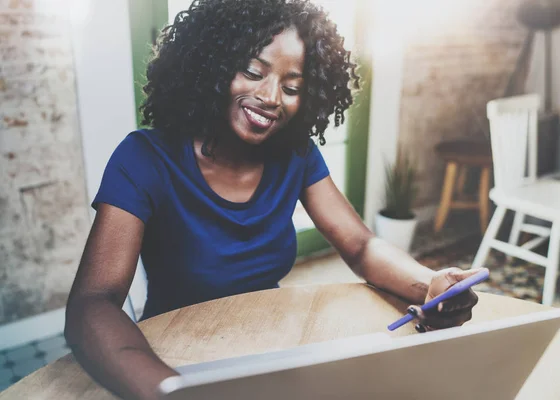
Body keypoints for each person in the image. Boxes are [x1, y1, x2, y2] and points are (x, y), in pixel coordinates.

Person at [65, 0, 484, 399]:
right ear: (210, 64)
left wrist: (428, 284)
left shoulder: (296, 153)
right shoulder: (143, 159)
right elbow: (92, 303)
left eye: (292, 85)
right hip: (170, 357)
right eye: (252, 70)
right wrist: (174, 392)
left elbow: (360, 245)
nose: (270, 97)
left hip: (269, 347)